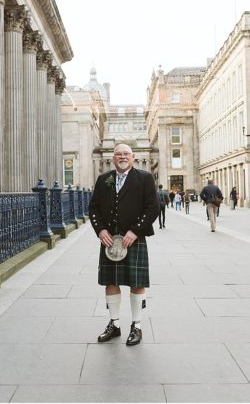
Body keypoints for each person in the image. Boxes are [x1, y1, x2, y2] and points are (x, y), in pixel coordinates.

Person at [88, 143, 159, 346]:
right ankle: (115, 324)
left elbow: (153, 207)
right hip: (110, 239)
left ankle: (136, 325)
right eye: (118, 154)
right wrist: (100, 230)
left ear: (133, 157)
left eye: (126, 153)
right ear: (113, 158)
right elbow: (93, 207)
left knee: (137, 283)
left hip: (133, 238)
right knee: (111, 282)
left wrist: (135, 230)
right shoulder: (104, 180)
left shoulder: (144, 178)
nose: (122, 156)